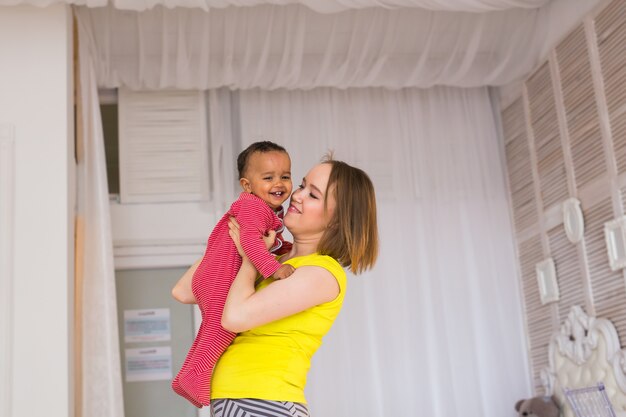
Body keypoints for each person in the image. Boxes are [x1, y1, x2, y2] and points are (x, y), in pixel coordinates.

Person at [172, 154, 379, 417]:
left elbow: (234, 317)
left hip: (264, 403)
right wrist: (239, 233)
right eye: (302, 185)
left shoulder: (321, 273)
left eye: (313, 195)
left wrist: (249, 257)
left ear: (337, 220)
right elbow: (185, 290)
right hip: (241, 401)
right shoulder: (274, 259)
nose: (298, 195)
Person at [172, 141, 296, 407]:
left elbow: (264, 241)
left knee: (212, 329)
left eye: (285, 176)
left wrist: (284, 247)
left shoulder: (265, 210)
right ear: (247, 185)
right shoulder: (254, 208)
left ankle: (189, 376)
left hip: (215, 274)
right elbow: (251, 243)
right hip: (220, 276)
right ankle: (194, 379)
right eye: (268, 177)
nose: (279, 183)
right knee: (220, 331)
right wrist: (274, 269)